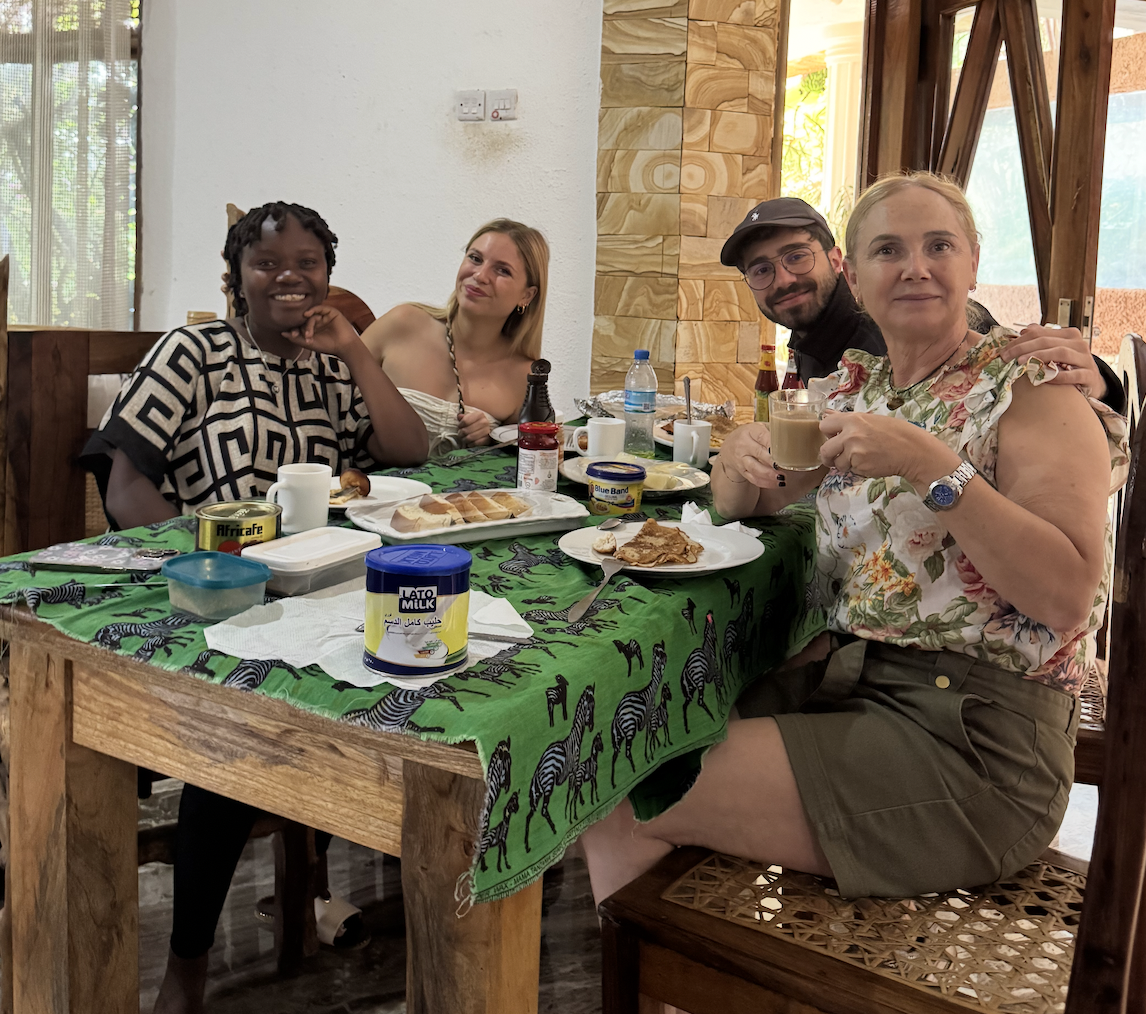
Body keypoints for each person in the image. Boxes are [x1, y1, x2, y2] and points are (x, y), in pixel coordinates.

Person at [582, 171, 1127, 935]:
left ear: (973, 263)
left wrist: (929, 464)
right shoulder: (855, 390)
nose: (915, 266)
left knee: (621, 790)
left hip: (974, 741)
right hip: (855, 690)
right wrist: (738, 461)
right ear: (857, 275)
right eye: (888, 249)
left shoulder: (1030, 387)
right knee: (634, 726)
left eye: (939, 245)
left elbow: (1068, 595)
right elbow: (756, 498)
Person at [84, 201, 429, 1014]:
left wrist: (354, 351)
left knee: (408, 669)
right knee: (239, 737)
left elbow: (408, 449)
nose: (288, 277)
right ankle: (188, 969)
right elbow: (121, 476)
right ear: (237, 273)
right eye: (268, 263)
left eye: (307, 262)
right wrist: (202, 569)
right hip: (207, 593)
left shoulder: (325, 363)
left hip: (311, 591)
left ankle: (334, 879)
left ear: (327, 276)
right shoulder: (196, 351)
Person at [720, 194, 1125, 410]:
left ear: (839, 264)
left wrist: (1100, 385)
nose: (784, 279)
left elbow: (993, 341)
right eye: (761, 270)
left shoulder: (898, 321)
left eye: (796, 257)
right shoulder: (815, 343)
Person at [361, 217, 550, 455]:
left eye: (502, 270)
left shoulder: (525, 377)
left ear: (527, 295)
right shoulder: (403, 323)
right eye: (475, 258)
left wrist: (489, 442)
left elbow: (518, 467)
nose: (480, 275)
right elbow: (332, 397)